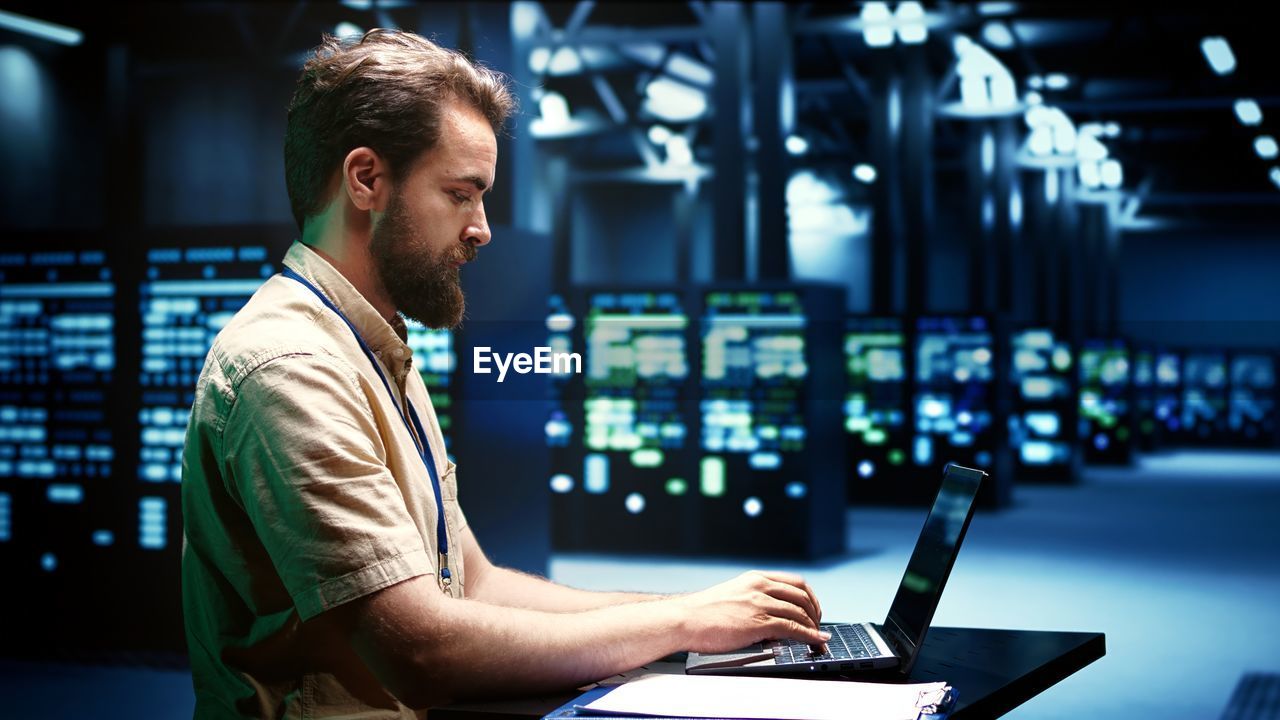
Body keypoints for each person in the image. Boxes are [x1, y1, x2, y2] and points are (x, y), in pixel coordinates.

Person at [181, 28, 829, 719]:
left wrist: (690, 611)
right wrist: (682, 626)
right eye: (461, 194)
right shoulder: (292, 368)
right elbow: (423, 651)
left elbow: (475, 587)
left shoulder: (370, 348)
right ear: (367, 179)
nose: (482, 228)